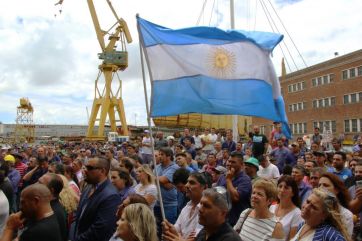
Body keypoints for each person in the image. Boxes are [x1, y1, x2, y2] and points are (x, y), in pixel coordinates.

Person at [74, 156, 121, 241]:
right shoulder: (88, 186)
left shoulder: (111, 196)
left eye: (89, 168)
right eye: (85, 166)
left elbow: (101, 229)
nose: (85, 170)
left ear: (102, 171)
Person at [163, 172, 208, 240]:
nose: (186, 185)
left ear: (204, 187)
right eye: (187, 182)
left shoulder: (207, 210)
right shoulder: (186, 208)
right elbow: (175, 230)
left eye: (192, 183)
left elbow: (197, 238)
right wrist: (170, 230)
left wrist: (178, 237)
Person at [216, 151, 252, 226]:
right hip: (222, 218)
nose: (229, 164)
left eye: (233, 162)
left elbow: (235, 198)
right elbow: (216, 194)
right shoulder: (222, 177)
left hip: (236, 220)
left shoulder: (245, 180)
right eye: (229, 161)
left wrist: (229, 180)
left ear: (242, 164)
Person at [318, 172, 354, 238]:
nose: (321, 188)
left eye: (325, 185)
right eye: (319, 185)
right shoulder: (313, 208)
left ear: (336, 190)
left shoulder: (346, 215)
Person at [270, 175, 303, 240]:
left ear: (293, 193)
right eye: (280, 186)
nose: (282, 190)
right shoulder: (272, 207)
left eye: (286, 188)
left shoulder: (297, 214)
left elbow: (292, 239)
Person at [38, 173, 68, 241]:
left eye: (40, 183)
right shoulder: (47, 206)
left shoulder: (54, 212)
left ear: (51, 190)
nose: (35, 185)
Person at [154, 147, 179, 227]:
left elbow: (163, 181)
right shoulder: (157, 167)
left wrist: (154, 178)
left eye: (162, 155)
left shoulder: (175, 167)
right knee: (157, 229)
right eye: (159, 154)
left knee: (168, 228)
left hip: (169, 204)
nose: (159, 156)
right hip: (157, 203)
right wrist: (161, 180)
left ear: (169, 156)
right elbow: (165, 183)